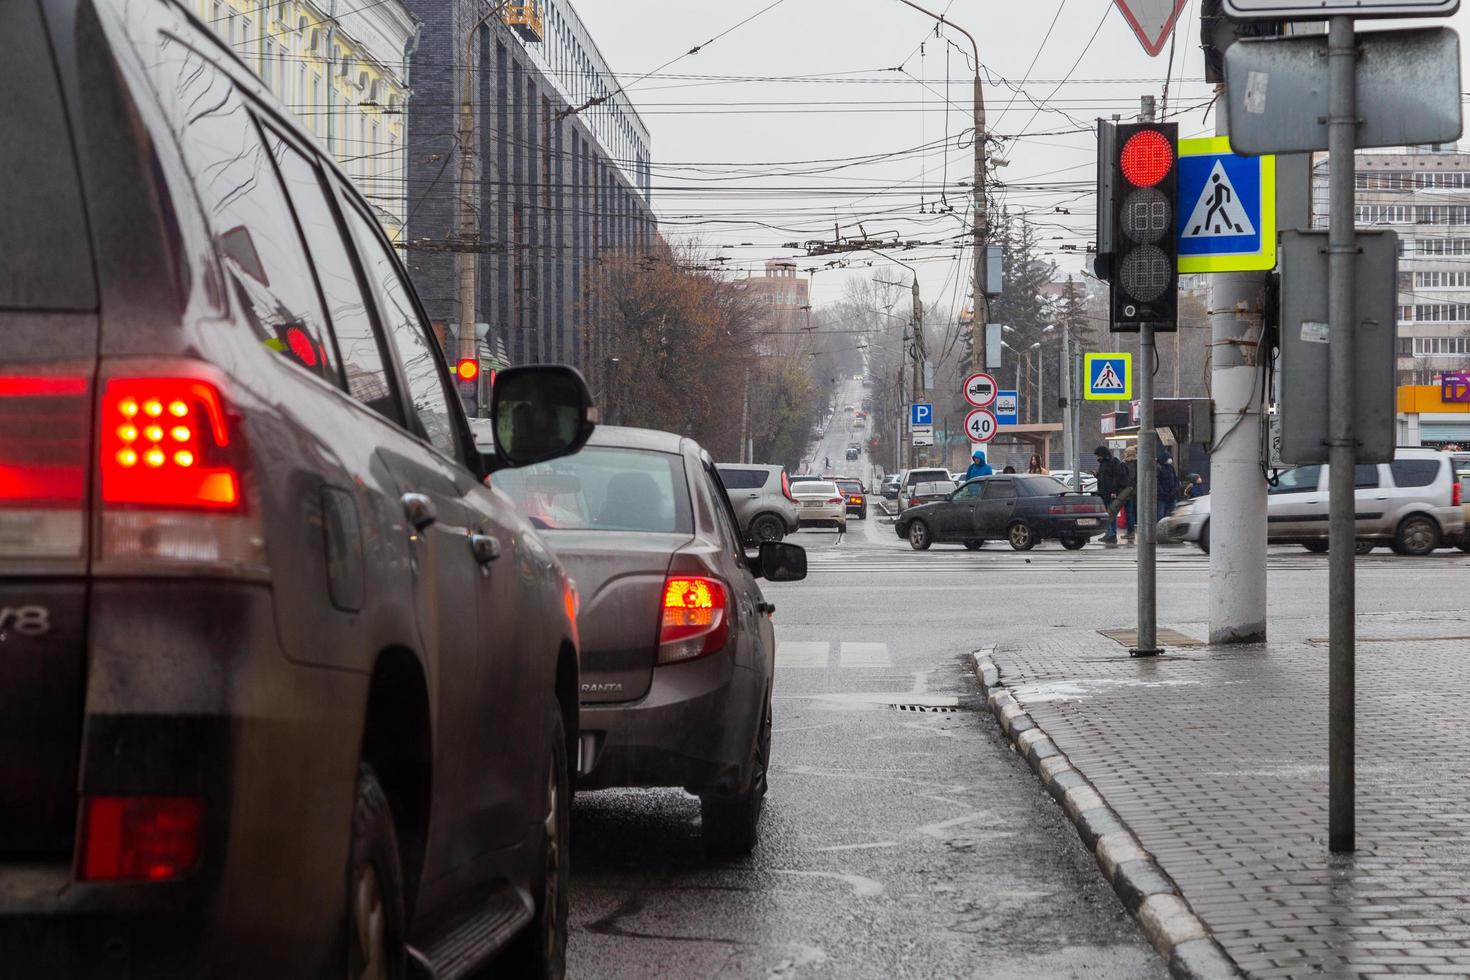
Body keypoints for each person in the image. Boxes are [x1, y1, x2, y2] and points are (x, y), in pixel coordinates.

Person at [1094, 446, 1123, 543]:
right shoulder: (1104, 463)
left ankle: (1112, 533)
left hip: (1109, 492)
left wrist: (1114, 491)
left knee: (1111, 512)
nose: (1098, 457)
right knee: (1108, 513)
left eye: (1099, 455)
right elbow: (1105, 477)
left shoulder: (1112, 463)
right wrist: (1097, 475)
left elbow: (1115, 478)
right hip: (1104, 492)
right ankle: (1109, 532)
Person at [1157, 451, 1181, 521]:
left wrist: (1175, 489)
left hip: (1171, 494)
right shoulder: (1159, 468)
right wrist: (1163, 492)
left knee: (1172, 512)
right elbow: (1158, 482)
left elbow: (1175, 479)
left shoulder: (1171, 467)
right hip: (1163, 495)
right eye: (1169, 458)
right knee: (1161, 513)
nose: (1170, 459)